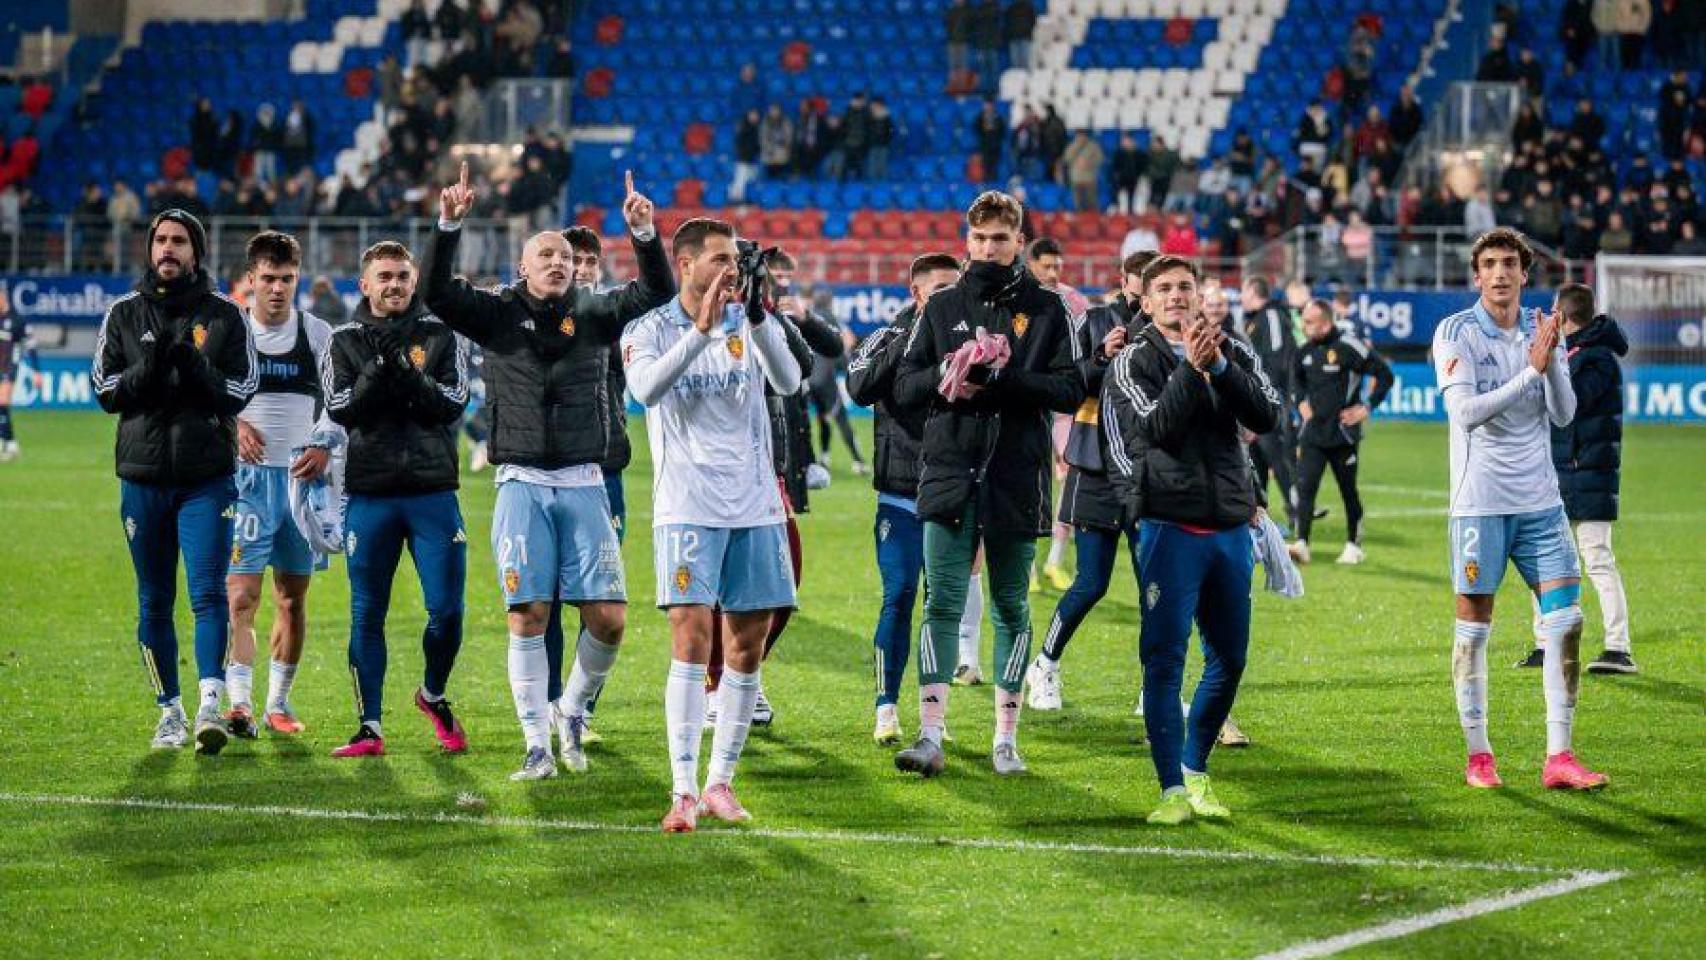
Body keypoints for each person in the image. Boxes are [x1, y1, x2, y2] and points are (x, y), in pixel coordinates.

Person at [426, 166, 673, 779]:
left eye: (564, 255)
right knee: (528, 614)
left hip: (587, 481)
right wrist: (449, 223)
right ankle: (537, 744)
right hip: (522, 484)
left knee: (609, 619)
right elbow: (436, 292)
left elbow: (655, 295)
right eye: (545, 256)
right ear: (522, 268)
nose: (558, 263)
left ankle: (573, 711)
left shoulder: (593, 312)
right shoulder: (495, 314)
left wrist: (644, 235)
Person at [890, 190, 1086, 778]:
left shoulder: (1049, 310)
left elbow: (1072, 389)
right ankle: (929, 735)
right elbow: (903, 386)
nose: (988, 248)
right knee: (941, 603)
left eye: (1000, 238)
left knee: (1009, 606)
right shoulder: (942, 305)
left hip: (1014, 476)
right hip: (949, 472)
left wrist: (1003, 380)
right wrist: (946, 376)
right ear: (965, 241)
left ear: (1018, 241)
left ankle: (1006, 739)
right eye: (978, 239)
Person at [621, 217, 803, 831]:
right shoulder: (649, 328)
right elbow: (645, 388)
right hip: (687, 508)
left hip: (754, 506)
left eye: (736, 259)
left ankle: (721, 782)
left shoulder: (749, 318)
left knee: (746, 648)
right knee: (692, 642)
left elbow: (789, 380)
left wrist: (755, 317)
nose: (733, 268)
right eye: (721, 259)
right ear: (688, 264)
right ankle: (681, 790)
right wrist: (701, 333)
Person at [1102, 255, 1281, 824]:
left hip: (1229, 525)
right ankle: (1171, 790)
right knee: (1164, 661)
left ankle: (1196, 769)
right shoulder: (1132, 360)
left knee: (1229, 658)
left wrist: (1221, 368)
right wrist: (1191, 371)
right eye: (1164, 289)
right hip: (1167, 526)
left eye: (1186, 286)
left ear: (1201, 295)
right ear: (1146, 302)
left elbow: (1269, 415)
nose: (1177, 295)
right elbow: (1155, 429)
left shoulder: (1237, 349)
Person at [1432, 228, 1606, 791]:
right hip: (1479, 504)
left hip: (1541, 501)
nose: (1501, 273)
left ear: (1524, 273)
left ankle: (1559, 755)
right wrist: (1528, 370)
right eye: (1490, 264)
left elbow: (1562, 415)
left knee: (1567, 621)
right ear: (1477, 275)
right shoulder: (1454, 332)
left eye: (1511, 263)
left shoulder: (1539, 327)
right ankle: (1479, 756)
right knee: (1474, 631)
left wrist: (1550, 361)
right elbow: (1466, 415)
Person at [91, 209, 257, 753]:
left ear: (196, 251)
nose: (167, 249)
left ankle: (210, 702)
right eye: (160, 240)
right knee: (153, 601)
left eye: (178, 241)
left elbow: (239, 392)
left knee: (209, 594)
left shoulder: (226, 316)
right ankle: (169, 710)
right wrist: (155, 362)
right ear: (150, 248)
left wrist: (191, 361)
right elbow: (107, 392)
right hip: (142, 479)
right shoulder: (122, 314)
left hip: (206, 478)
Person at [323, 239, 471, 758]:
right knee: (367, 614)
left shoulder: (440, 335)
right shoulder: (343, 341)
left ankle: (432, 694)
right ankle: (370, 726)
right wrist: (378, 370)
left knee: (448, 613)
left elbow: (452, 404)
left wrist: (406, 373)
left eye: (403, 276)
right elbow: (342, 408)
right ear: (364, 284)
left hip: (433, 492)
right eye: (383, 276)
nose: (394, 285)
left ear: (414, 282)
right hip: (371, 495)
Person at [223, 232, 341, 738]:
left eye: (286, 279)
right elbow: (205, 396)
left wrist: (321, 445)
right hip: (246, 483)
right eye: (267, 278)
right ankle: (238, 704)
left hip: (300, 484)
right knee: (240, 597)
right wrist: (234, 424)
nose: (276, 288)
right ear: (250, 280)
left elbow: (341, 402)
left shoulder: (317, 335)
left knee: (292, 599)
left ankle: (278, 702)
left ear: (297, 279)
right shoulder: (230, 335)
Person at [1023, 251, 1150, 711]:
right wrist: (1101, 357)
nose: (1152, 289)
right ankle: (1045, 664)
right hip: (1096, 467)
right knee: (1091, 583)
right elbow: (1070, 383)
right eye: (1144, 279)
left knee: (1155, 586)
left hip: (1149, 475)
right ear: (1126, 280)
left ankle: (1155, 687)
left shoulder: (1170, 334)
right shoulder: (1095, 319)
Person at [847, 252, 962, 744]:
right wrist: (911, 338)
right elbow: (858, 387)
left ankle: (933, 715)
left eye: (953, 290)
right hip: (899, 494)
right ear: (916, 293)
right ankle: (886, 707)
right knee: (899, 595)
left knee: (944, 605)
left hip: (953, 493)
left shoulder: (971, 341)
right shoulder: (886, 336)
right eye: (938, 290)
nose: (948, 299)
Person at [1515, 284, 1637, 674]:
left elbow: (1570, 405)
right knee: (1543, 559)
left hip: (1589, 473)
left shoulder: (1597, 358)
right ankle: (1544, 644)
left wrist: (1548, 359)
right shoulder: (1575, 353)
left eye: (1554, 312)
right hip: (1558, 472)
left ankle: (1619, 648)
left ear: (1563, 317)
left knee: (1597, 558)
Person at [1287, 298, 1393, 566]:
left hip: (1343, 434)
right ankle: (1302, 544)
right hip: (1313, 433)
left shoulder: (1349, 346)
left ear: (1325, 323)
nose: (1304, 326)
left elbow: (1385, 375)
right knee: (1305, 487)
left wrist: (1366, 407)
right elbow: (1295, 380)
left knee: (1348, 490)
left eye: (1309, 322)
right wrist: (1300, 402)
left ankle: (1353, 545)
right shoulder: (1304, 351)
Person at [1024, 238, 1086, 593]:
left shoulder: (1075, 300)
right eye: (1046, 266)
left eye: (1057, 266)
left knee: (1071, 476)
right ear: (1031, 264)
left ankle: (1054, 561)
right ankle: (1029, 565)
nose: (1053, 272)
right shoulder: (1018, 299)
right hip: (1029, 403)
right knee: (1031, 481)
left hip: (1063, 407)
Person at [1240, 276, 1301, 530]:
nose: (1241, 298)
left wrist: (1270, 397)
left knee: (1276, 455)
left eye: (1243, 292)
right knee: (1258, 458)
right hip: (1257, 400)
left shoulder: (1272, 315)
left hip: (1270, 400)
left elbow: (1277, 359)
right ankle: (1261, 517)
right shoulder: (1254, 320)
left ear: (1254, 292)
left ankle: (1298, 510)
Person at [0, 283, 38, 461]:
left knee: (2, 402)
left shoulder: (16, 320)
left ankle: (10, 443)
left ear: (3, 297)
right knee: (1, 405)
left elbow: (30, 346)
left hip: (9, 367)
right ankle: (9, 443)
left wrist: (37, 371)